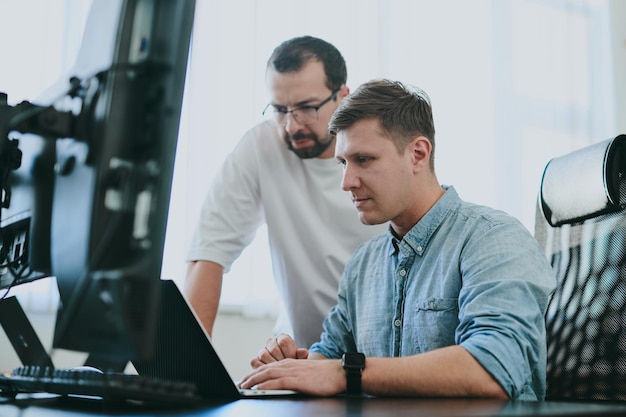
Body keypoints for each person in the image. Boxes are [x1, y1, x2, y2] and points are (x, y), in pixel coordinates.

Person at [238, 79, 557, 400]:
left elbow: (494, 370)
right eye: (343, 163)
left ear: (418, 154)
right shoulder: (364, 263)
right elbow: (332, 354)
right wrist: (295, 367)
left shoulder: (493, 239)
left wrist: (343, 373)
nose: (347, 182)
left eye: (363, 160)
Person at [184, 36, 387, 348]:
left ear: (343, 97)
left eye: (306, 108)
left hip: (380, 353)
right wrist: (184, 373)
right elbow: (207, 255)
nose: (292, 126)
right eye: (280, 109)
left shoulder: (382, 153)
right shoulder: (261, 147)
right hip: (302, 354)